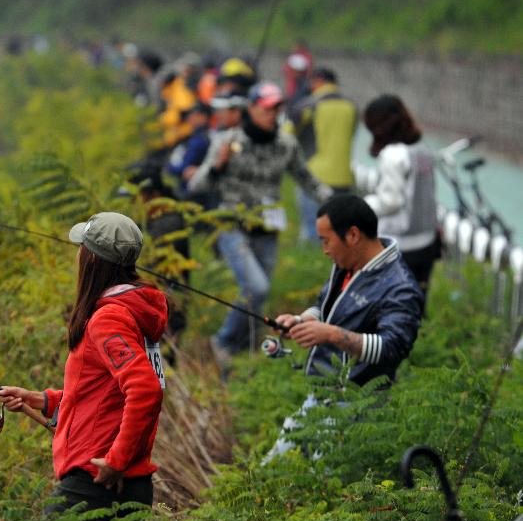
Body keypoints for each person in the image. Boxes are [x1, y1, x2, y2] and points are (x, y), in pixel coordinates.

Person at [0, 212, 168, 521]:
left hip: (99, 481)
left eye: (81, 248)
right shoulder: (131, 312)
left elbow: (146, 390)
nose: (77, 254)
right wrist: (39, 399)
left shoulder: (109, 318)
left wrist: (116, 461)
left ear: (91, 260)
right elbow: (104, 395)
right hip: (128, 483)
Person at [187, 82, 330, 377]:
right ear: (250, 109)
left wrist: (340, 204)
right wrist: (218, 164)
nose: (273, 113)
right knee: (257, 287)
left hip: (268, 227)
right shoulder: (228, 141)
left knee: (256, 295)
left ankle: (245, 356)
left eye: (277, 107)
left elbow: (308, 180)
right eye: (267, 107)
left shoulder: (286, 144)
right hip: (232, 224)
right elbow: (197, 184)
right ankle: (224, 342)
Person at [265, 194, 423, 461]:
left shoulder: (400, 287)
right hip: (323, 395)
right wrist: (300, 321)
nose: (324, 249)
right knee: (272, 468)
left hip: (358, 407)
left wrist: (331, 334)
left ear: (352, 235)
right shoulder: (348, 265)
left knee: (320, 483)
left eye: (326, 241)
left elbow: (393, 347)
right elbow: (324, 308)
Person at [353, 94, 441, 296]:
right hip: (426, 240)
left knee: (393, 304)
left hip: (400, 244)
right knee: (417, 302)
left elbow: (390, 201)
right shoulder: (422, 150)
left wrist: (362, 205)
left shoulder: (393, 155)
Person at [286, 67, 359, 242]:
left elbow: (286, 136)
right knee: (340, 235)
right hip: (344, 178)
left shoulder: (308, 106)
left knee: (313, 232)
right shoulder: (352, 107)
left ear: (317, 81)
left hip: (314, 177)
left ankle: (311, 267)